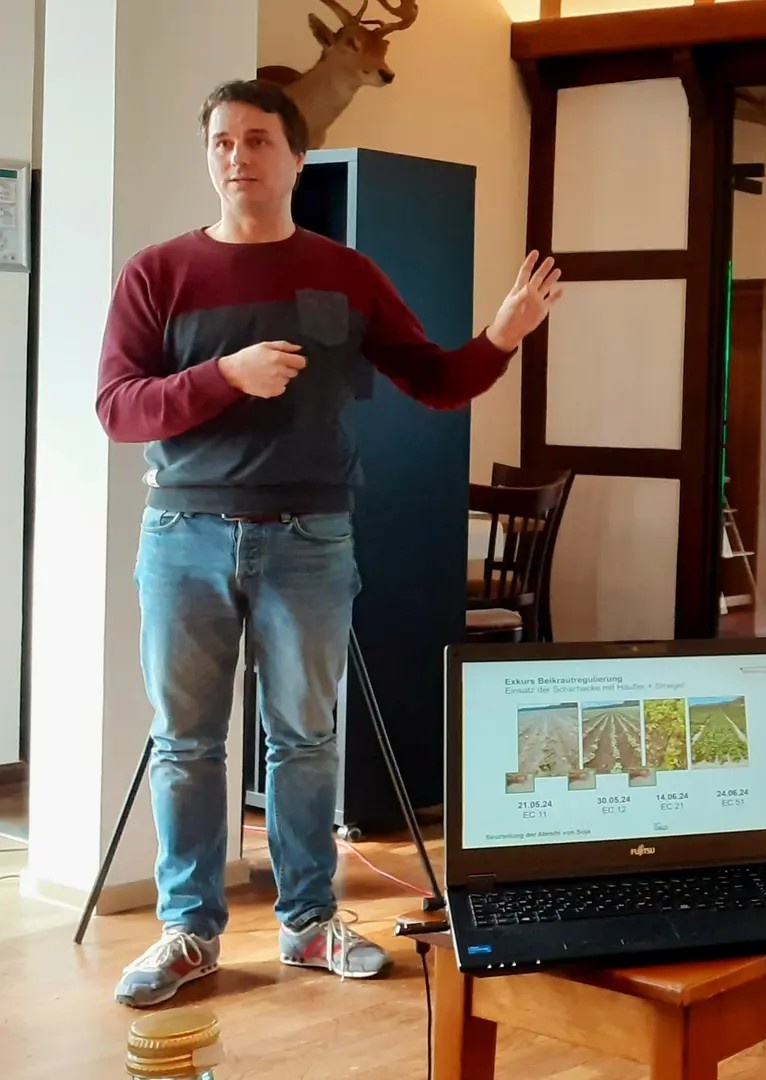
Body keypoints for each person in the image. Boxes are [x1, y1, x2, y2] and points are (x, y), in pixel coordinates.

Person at [94, 78, 563, 1008]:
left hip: (310, 538)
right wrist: (224, 374)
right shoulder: (158, 272)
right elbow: (118, 408)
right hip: (182, 533)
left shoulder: (345, 274)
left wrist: (500, 337)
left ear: (296, 158)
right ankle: (190, 931)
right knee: (188, 745)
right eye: (222, 141)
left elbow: (431, 379)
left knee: (305, 741)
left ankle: (308, 925)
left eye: (258, 140)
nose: (238, 156)